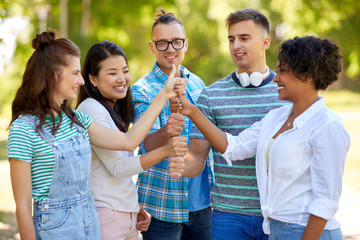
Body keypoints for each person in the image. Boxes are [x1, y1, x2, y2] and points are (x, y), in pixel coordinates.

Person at [7, 31, 186, 240]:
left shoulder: (78, 120)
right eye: (75, 73)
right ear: (53, 75)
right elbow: (22, 206)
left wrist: (164, 94)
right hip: (54, 232)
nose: (81, 81)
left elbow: (128, 142)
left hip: (90, 227)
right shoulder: (23, 130)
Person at [170, 35, 350, 240]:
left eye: (282, 70)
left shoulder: (327, 125)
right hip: (276, 230)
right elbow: (234, 147)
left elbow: (325, 202)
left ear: (306, 75)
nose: (275, 78)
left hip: (310, 233)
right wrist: (191, 110)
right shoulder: (276, 118)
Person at [171, 8, 286, 240]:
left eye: (244, 38)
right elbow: (195, 158)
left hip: (277, 213)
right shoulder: (211, 96)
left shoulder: (286, 92)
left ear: (265, 42)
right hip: (228, 216)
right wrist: (174, 162)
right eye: (231, 39)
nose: (235, 45)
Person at [75, 40, 187, 240]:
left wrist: (133, 207)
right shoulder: (90, 108)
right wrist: (165, 150)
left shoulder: (113, 109)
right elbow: (119, 166)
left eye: (125, 71)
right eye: (112, 73)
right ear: (92, 79)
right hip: (106, 217)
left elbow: (113, 175)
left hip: (125, 217)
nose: (122, 79)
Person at [131, 8, 213, 240]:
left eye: (176, 42)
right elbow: (145, 143)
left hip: (202, 204)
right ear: (151, 47)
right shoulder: (142, 89)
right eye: (162, 43)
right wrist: (167, 129)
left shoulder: (198, 84)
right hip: (162, 204)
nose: (170, 49)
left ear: (185, 44)